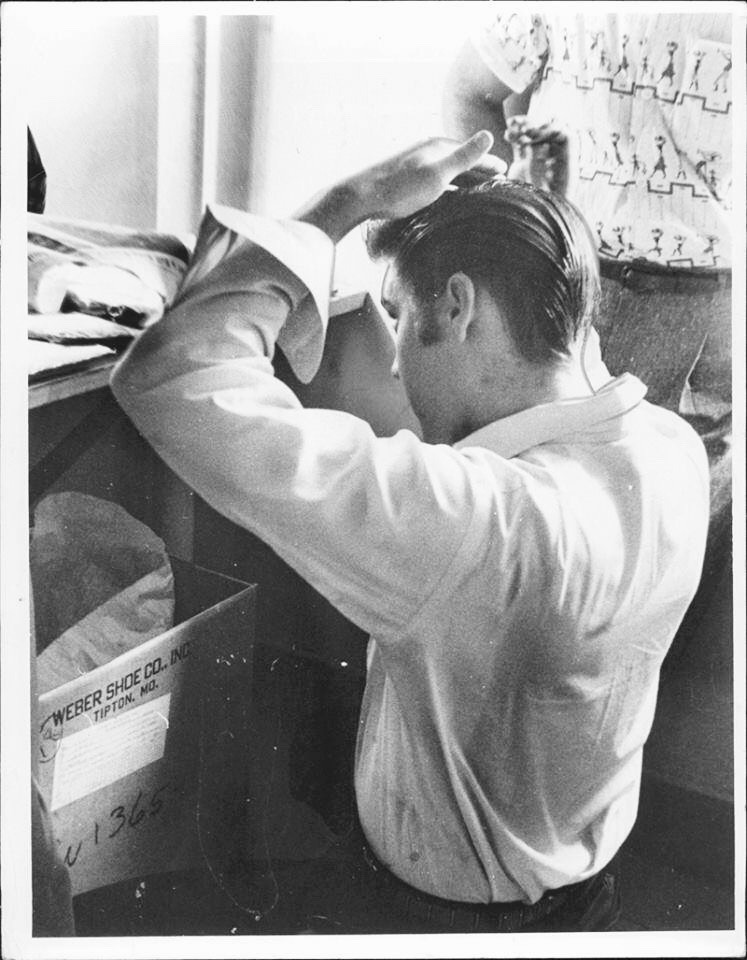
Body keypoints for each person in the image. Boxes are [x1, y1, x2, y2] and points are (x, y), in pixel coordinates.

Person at [110, 132, 709, 933]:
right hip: (587, 891)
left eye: (398, 318)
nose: (394, 366)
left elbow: (169, 376)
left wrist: (348, 201)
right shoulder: (672, 450)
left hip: (436, 920)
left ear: (457, 307)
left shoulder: (479, 522)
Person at [443, 10, 733, 663]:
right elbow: (471, 89)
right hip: (602, 283)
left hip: (724, 299)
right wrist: (503, 236)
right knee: (578, 518)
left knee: (688, 520)